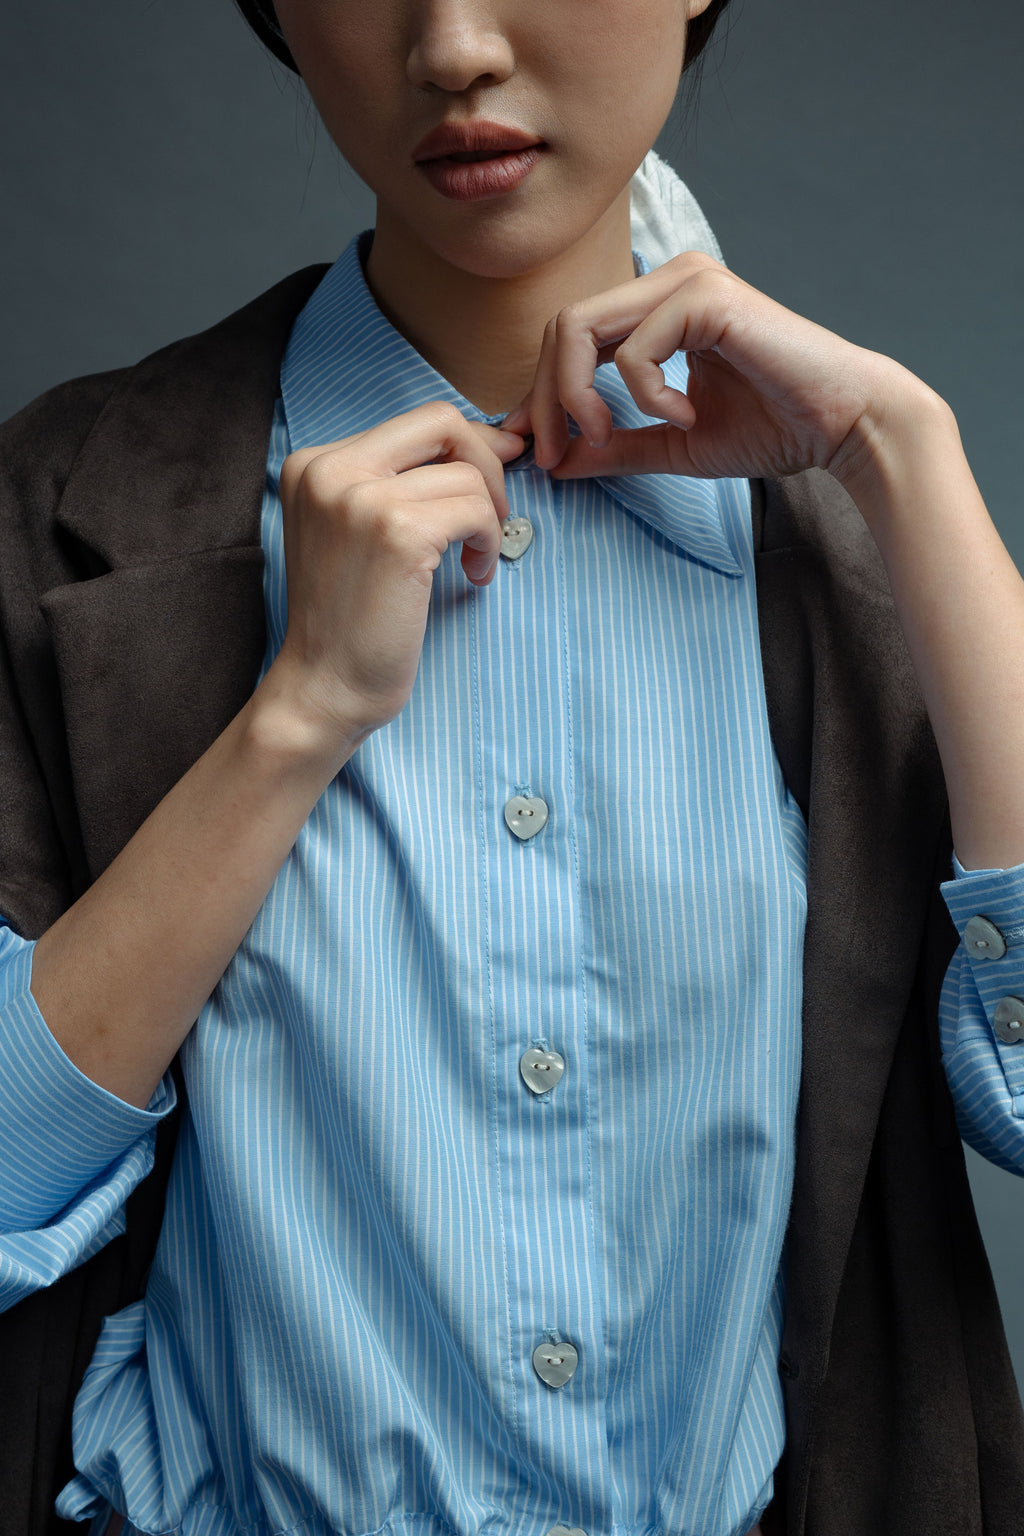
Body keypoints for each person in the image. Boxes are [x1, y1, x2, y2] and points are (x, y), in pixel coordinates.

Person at [1, 2, 1024, 1535]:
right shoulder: (65, 505)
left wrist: (909, 453)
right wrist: (301, 714)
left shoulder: (868, 544)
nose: (455, 45)